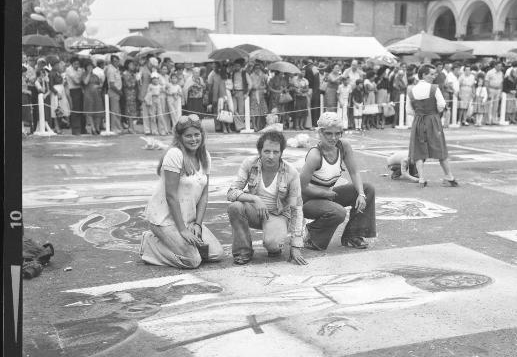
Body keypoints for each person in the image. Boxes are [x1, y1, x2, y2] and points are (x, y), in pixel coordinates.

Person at [140, 114, 224, 268]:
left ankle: (175, 243)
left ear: (202, 135)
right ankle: (150, 244)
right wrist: (183, 230)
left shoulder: (205, 156)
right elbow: (171, 196)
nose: (193, 139)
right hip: (164, 220)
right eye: (188, 136)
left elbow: (204, 196)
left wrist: (197, 224)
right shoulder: (175, 154)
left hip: (189, 219)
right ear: (180, 137)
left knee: (216, 254)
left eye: (197, 135)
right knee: (193, 261)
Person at [227, 130, 307, 266]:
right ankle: (243, 251)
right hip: (255, 211)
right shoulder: (249, 164)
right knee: (235, 207)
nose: (271, 156)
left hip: (279, 214)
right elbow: (231, 192)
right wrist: (255, 199)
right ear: (260, 151)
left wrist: (295, 246)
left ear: (281, 153)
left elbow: (296, 209)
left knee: (273, 245)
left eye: (276, 152)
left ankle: (275, 243)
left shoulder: (291, 172)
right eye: (267, 151)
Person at [300, 112, 376, 251]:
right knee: (338, 212)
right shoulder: (315, 155)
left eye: (338, 133)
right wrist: (324, 193)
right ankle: (312, 235)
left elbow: (354, 172)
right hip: (308, 202)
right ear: (320, 133)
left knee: (367, 189)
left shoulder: (343, 146)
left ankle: (353, 235)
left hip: (327, 196)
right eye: (328, 133)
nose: (333, 138)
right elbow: (301, 187)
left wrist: (361, 194)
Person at [406, 64, 458, 188]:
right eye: (432, 74)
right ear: (424, 74)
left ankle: (422, 178)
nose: (434, 76)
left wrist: (419, 113)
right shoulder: (434, 88)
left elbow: (408, 110)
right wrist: (434, 113)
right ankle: (449, 176)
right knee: (440, 147)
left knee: (418, 149)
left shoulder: (411, 90)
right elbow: (441, 105)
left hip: (418, 120)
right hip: (432, 119)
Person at [81, 59, 104, 135]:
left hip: (96, 94)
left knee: (98, 111)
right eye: (88, 66)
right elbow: (85, 82)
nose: (90, 68)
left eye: (91, 66)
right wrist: (89, 74)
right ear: (86, 67)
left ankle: (97, 127)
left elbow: (100, 85)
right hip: (88, 94)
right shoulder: (84, 75)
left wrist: (98, 86)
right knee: (90, 111)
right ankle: (93, 128)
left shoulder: (96, 76)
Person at [65, 56, 84, 134]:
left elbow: (81, 80)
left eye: (78, 64)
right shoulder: (68, 70)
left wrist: (80, 79)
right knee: (75, 109)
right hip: (73, 90)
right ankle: (75, 129)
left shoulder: (80, 70)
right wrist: (80, 79)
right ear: (72, 64)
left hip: (80, 90)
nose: (77, 65)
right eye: (75, 64)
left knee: (82, 109)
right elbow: (76, 81)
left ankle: (83, 128)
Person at [248, 63, 269, 131]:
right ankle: (254, 125)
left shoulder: (262, 75)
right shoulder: (251, 76)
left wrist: (262, 86)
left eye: (259, 68)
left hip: (261, 94)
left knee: (260, 110)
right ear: (254, 69)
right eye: (256, 68)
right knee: (254, 110)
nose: (257, 69)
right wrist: (258, 86)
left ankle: (258, 124)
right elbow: (252, 86)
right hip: (254, 94)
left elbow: (266, 84)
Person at [105, 55, 123, 134]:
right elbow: (112, 84)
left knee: (117, 111)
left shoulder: (116, 69)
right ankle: (114, 128)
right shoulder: (111, 70)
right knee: (114, 111)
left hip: (117, 91)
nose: (117, 63)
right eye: (115, 61)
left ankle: (118, 127)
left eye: (117, 61)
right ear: (111, 62)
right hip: (114, 91)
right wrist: (118, 91)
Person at [120, 59, 138, 133]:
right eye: (131, 65)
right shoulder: (125, 74)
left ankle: (132, 127)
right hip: (128, 94)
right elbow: (129, 85)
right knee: (129, 111)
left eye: (133, 65)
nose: (133, 66)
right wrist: (136, 80)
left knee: (132, 110)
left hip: (133, 94)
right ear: (127, 65)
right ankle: (130, 128)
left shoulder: (132, 74)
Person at [484, 60, 504, 125]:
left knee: (496, 106)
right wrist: (488, 92)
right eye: (498, 66)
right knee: (489, 106)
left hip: (498, 90)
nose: (500, 67)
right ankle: (488, 120)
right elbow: (486, 83)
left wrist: (501, 92)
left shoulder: (501, 73)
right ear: (495, 66)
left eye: (501, 66)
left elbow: (501, 83)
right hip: (491, 89)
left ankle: (494, 119)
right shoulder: (490, 72)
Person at [137, 56, 153, 134]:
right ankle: (147, 129)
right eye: (150, 63)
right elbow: (139, 82)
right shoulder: (142, 69)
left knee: (152, 113)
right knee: (145, 112)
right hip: (144, 92)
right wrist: (141, 94)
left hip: (152, 93)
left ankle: (153, 129)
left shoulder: (153, 70)